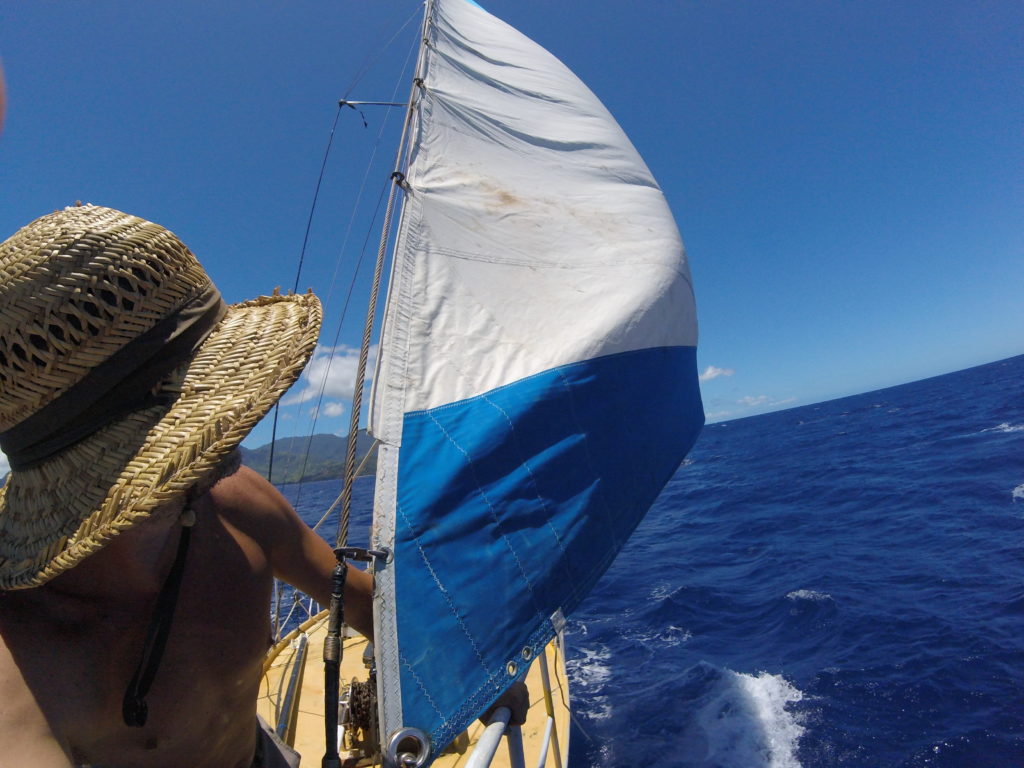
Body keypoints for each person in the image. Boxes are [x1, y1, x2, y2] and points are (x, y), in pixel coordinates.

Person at [0, 204, 373, 767]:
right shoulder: (23, 657)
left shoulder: (238, 503)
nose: (234, 433)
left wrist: (473, 670)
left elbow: (360, 600)